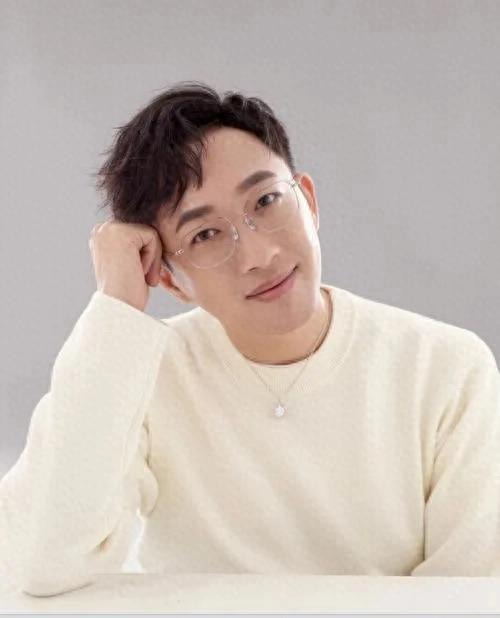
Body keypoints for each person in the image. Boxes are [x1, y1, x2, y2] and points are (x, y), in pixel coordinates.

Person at [1, 81, 499, 598]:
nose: (259, 256)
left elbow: (469, 594)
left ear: (308, 201)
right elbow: (42, 561)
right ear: (169, 278)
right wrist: (116, 308)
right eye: (204, 234)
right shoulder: (143, 375)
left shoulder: (448, 368)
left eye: (266, 201)